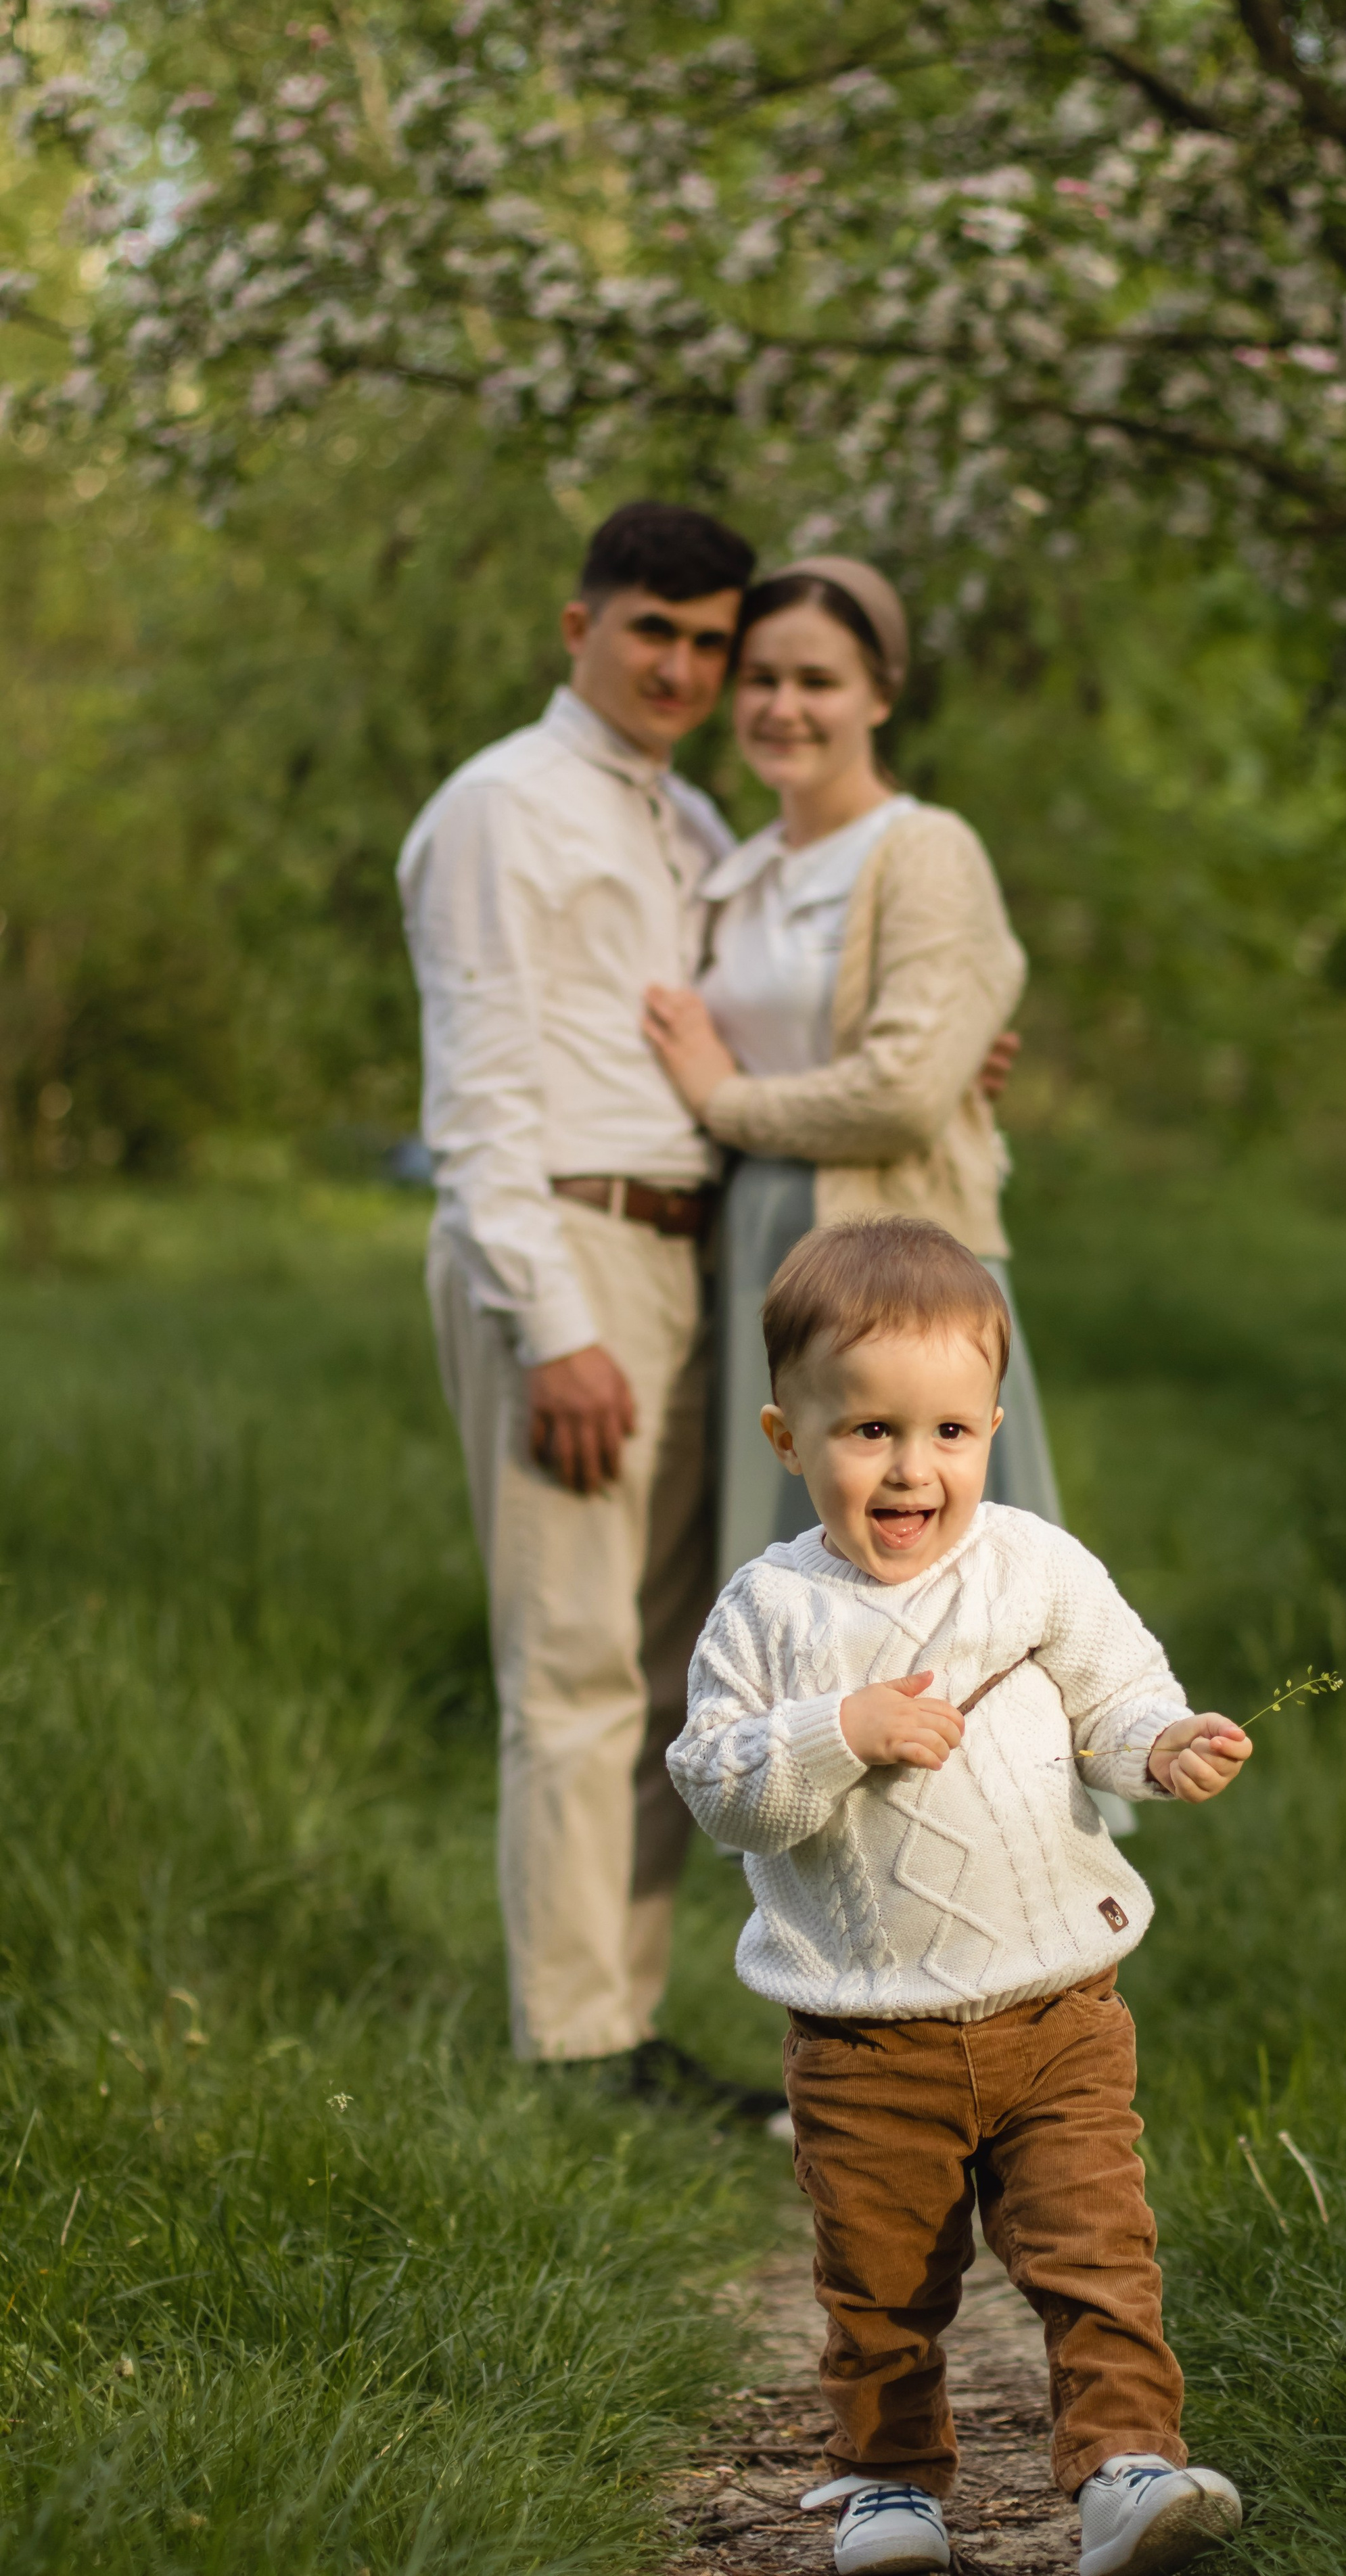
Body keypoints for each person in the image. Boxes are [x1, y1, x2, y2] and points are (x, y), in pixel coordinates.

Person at [666, 1219, 1251, 2576]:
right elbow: (717, 1786)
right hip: (867, 2036)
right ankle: (886, 2483)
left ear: (990, 1426)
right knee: (879, 2281)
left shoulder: (1034, 1566)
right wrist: (837, 1732)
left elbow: (1115, 1693)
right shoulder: (766, 1615)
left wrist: (1159, 1748)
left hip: (1057, 2010)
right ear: (785, 1438)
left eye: (945, 1433)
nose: (909, 1467)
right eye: (865, 1430)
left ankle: (1123, 2470)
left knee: (1095, 2254)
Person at [643, 553, 1135, 1832]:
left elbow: (906, 1092)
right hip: (767, 1247)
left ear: (882, 693)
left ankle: (1007, 1860)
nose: (782, 707)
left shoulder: (925, 852)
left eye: (818, 678)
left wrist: (724, 1098)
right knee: (809, 1594)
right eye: (759, 679)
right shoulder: (737, 868)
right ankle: (822, 1842)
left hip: (902, 1265)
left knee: (956, 1581)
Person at [397, 500, 780, 2112]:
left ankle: (617, 2022)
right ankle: (571, 2050)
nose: (681, 666)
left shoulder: (688, 822)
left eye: (710, 642)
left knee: (670, 1664)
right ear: (580, 628)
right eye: (653, 632)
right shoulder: (500, 809)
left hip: (689, 1248)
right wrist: (551, 1321)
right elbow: (479, 1096)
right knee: (569, 1663)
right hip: (559, 1245)